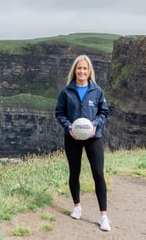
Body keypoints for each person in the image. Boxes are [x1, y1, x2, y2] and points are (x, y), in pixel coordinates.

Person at [55, 54, 111, 231]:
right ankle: (77, 207)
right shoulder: (66, 92)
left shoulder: (97, 91)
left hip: (93, 137)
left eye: (85, 68)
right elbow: (59, 113)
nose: (82, 71)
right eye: (79, 68)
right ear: (75, 70)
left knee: (98, 174)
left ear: (89, 71)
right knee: (74, 172)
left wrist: (95, 124)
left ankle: (103, 216)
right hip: (72, 138)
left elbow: (104, 112)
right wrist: (69, 126)